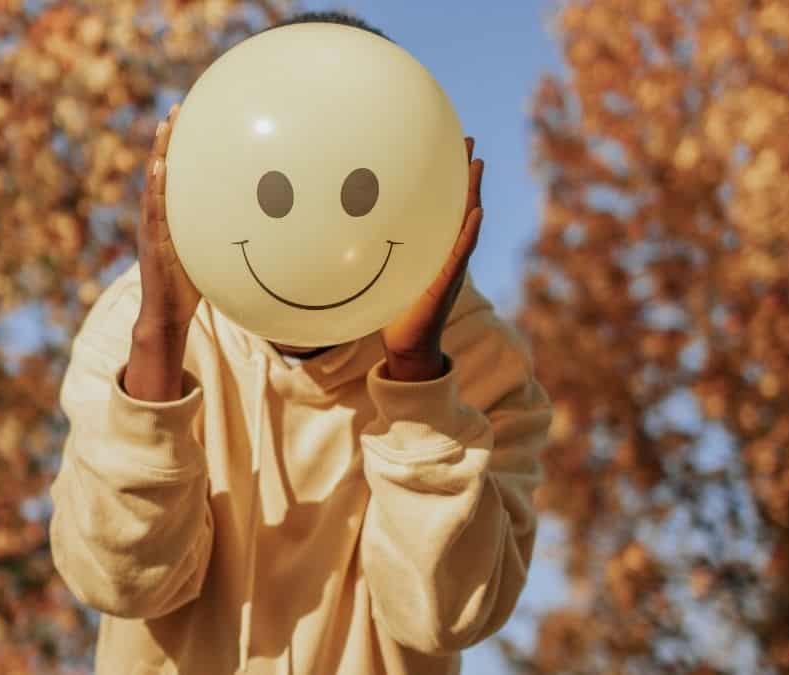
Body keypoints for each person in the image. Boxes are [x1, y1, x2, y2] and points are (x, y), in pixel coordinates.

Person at [49, 11, 553, 675]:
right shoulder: (134, 330)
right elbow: (118, 581)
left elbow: (447, 613)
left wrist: (417, 380)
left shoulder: (483, 360)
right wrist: (160, 346)